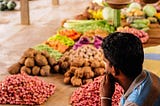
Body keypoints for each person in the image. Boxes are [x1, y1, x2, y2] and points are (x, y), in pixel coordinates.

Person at [100, 32, 160, 106]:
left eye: (105, 62)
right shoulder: (150, 76)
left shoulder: (133, 103)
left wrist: (105, 98)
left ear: (114, 69)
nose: (104, 68)